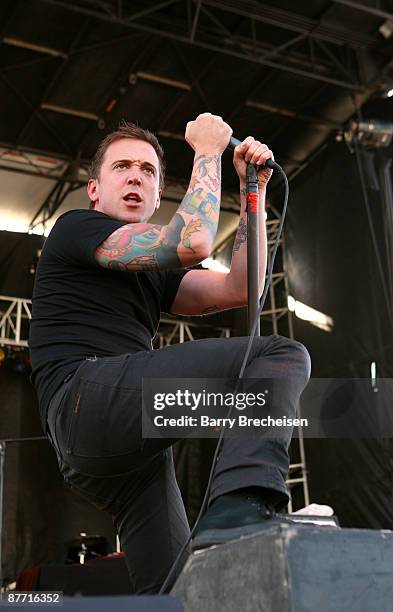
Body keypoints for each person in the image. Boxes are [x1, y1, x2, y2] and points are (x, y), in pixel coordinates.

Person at [29, 113, 311, 594]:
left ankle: (230, 519)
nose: (136, 175)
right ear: (94, 189)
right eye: (122, 167)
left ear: (159, 195)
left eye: (148, 170)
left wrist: (253, 195)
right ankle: (244, 501)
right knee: (278, 356)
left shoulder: (153, 273)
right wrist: (206, 151)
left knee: (177, 591)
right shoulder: (76, 228)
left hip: (124, 440)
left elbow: (242, 286)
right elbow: (193, 239)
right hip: (85, 399)